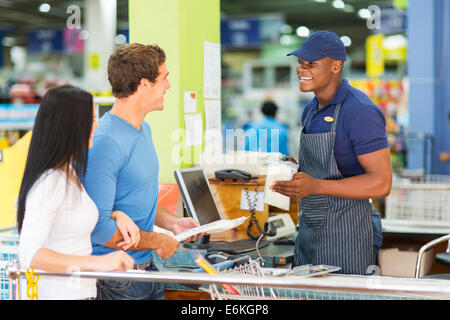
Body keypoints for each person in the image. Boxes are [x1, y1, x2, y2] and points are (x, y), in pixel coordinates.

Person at [83, 43, 202, 300]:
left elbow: (134, 196)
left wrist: (172, 223)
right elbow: (99, 228)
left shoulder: (143, 130)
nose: (169, 86)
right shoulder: (104, 142)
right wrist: (158, 242)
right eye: (165, 77)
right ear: (145, 84)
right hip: (116, 280)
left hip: (146, 271)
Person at [270, 30, 392, 275]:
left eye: (311, 63)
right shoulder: (310, 110)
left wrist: (316, 186)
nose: (302, 69)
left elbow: (382, 183)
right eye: (300, 62)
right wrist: (295, 171)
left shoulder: (359, 112)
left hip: (350, 232)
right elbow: (321, 169)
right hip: (310, 230)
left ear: (336, 66)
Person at [17, 85, 136, 300]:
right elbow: (29, 254)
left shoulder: (68, 172)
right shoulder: (50, 182)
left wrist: (116, 215)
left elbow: (70, 216)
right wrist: (99, 262)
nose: (97, 126)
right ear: (69, 127)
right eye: (91, 119)